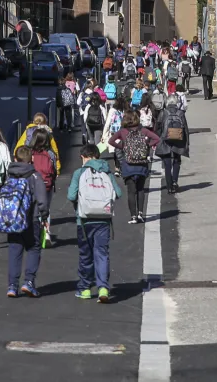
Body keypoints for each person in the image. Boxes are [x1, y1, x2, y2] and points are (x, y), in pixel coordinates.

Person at [68, 143, 123, 302]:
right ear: (97, 156)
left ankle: (85, 288)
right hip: (104, 220)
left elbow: (71, 196)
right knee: (102, 254)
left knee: (86, 255)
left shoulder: (79, 173)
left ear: (83, 157)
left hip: (84, 221)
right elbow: (118, 193)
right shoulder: (106, 171)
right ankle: (103, 288)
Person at [0, 146, 50, 298]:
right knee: (33, 248)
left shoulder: (9, 176)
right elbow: (42, 200)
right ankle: (29, 282)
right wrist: (44, 217)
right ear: (31, 159)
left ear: (15, 159)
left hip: (12, 221)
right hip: (30, 219)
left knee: (15, 251)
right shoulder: (34, 176)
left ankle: (12, 286)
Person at [108, 110, 161, 223]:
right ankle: (141, 214)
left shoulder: (123, 131)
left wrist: (123, 146)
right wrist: (147, 145)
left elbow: (111, 141)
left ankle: (133, 216)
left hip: (128, 165)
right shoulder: (143, 130)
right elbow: (157, 138)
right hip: (142, 164)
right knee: (140, 189)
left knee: (131, 191)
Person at [156, 95, 191, 194]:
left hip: (166, 139)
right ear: (176, 102)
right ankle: (175, 181)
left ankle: (169, 186)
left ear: (167, 102)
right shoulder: (180, 113)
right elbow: (185, 129)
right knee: (176, 160)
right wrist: (187, 142)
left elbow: (157, 127)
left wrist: (161, 137)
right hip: (178, 139)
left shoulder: (163, 112)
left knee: (167, 163)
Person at [29, 129, 58, 243]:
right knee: (46, 209)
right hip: (47, 184)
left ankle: (33, 233)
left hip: (32, 183)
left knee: (32, 208)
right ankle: (46, 233)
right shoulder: (50, 153)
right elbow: (54, 170)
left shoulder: (30, 152)